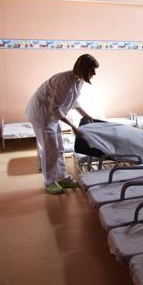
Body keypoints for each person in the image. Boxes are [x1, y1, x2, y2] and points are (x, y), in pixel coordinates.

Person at [25, 54, 99, 195]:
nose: (94, 73)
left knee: (59, 147)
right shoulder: (65, 81)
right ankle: (50, 183)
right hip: (42, 115)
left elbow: (74, 101)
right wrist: (73, 127)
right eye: (91, 70)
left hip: (52, 115)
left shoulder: (79, 81)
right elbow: (55, 108)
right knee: (50, 149)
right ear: (83, 69)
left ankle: (63, 177)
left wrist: (86, 115)